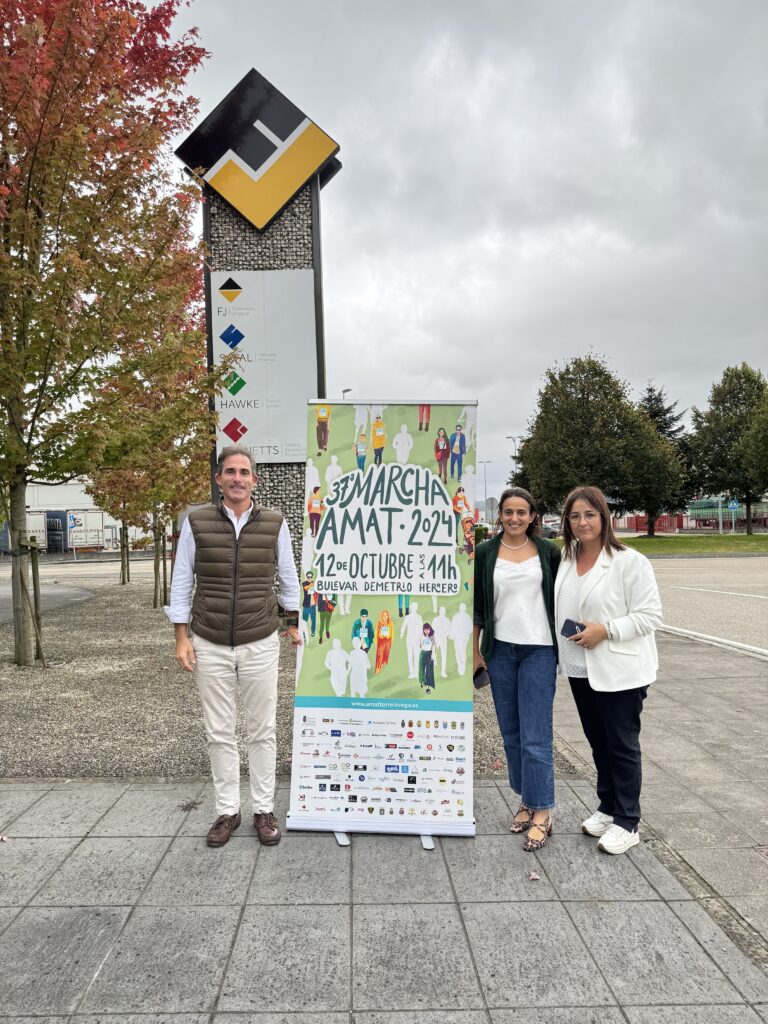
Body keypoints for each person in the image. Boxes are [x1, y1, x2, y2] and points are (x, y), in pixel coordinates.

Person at [167, 444, 301, 849]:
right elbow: (181, 579)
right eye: (230, 471)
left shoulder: (275, 523)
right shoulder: (197, 521)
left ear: (254, 480)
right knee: (219, 731)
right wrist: (181, 636)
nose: (237, 478)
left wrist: (294, 622)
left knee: (262, 730)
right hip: (210, 641)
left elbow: (289, 577)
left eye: (244, 472)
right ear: (219, 478)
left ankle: (263, 809)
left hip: (260, 639)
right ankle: (227, 810)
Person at [555, 485, 662, 855]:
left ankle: (628, 821)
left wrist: (607, 630)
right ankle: (608, 806)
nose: (582, 522)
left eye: (589, 514)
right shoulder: (567, 557)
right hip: (580, 667)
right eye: (575, 516)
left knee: (621, 745)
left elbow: (650, 616)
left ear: (604, 517)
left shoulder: (629, 561)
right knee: (598, 743)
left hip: (620, 669)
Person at [473, 487, 560, 852]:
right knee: (511, 733)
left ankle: (543, 812)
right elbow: (477, 606)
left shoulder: (548, 552)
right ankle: (527, 799)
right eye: (508, 512)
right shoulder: (485, 553)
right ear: (500, 516)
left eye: (521, 512)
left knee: (536, 734)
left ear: (532, 516)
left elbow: (565, 596)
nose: (514, 518)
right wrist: (474, 653)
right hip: (501, 651)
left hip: (540, 651)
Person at [374, 608, 394, 673]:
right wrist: (376, 641)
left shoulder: (390, 623)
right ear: (382, 616)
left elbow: (392, 633)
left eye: (386, 616)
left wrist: (391, 641)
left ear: (388, 616)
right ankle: (378, 667)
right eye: (384, 616)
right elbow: (376, 632)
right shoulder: (379, 623)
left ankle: (383, 663)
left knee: (386, 653)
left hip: (388, 640)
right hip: (381, 640)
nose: (385, 617)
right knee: (380, 654)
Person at [419, 623, 437, 693]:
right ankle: (422, 682)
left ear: (430, 629)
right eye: (425, 630)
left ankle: (429, 686)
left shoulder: (432, 636)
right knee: (421, 668)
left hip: (429, 654)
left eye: (428, 629)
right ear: (423, 630)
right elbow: (420, 645)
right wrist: (423, 640)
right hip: (423, 653)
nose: (427, 631)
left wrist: (433, 654)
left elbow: (433, 646)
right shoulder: (421, 636)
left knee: (429, 670)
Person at [301, 571, 317, 639]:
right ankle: (304, 635)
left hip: (313, 605)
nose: (309, 578)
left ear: (312, 577)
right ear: (306, 577)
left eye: (311, 577)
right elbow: (306, 588)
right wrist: (312, 584)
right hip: (306, 606)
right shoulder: (304, 583)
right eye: (308, 577)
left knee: (313, 620)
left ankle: (313, 632)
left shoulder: (314, 583)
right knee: (305, 621)